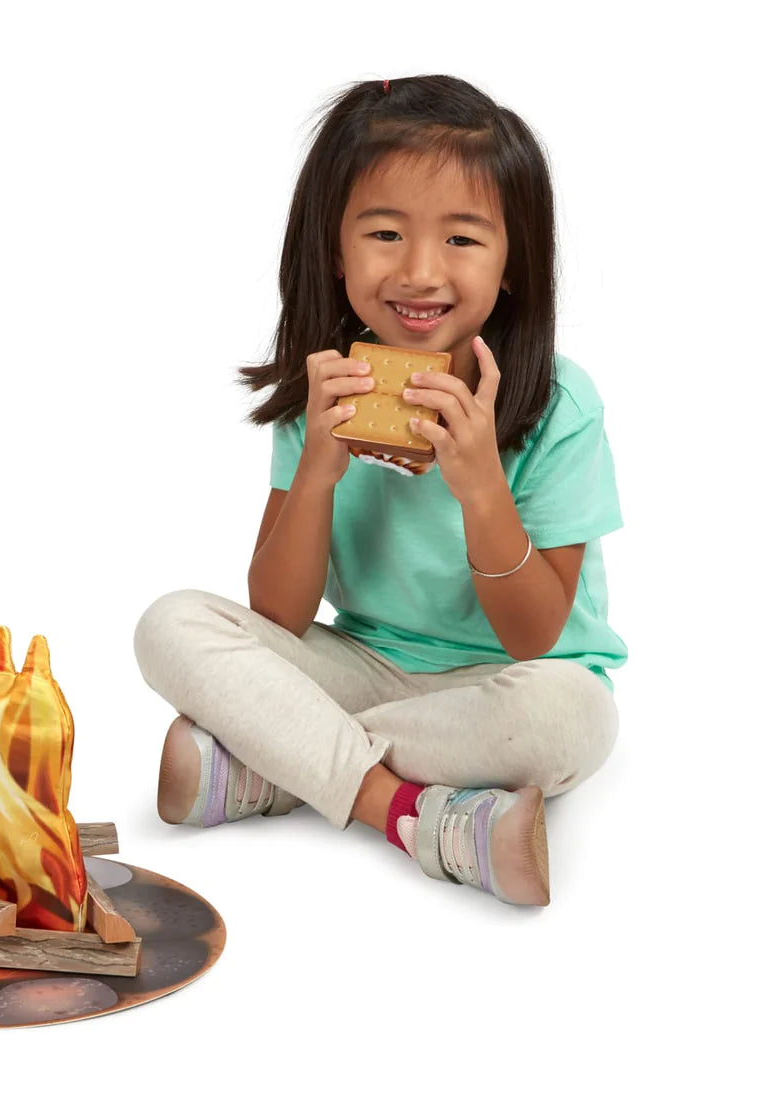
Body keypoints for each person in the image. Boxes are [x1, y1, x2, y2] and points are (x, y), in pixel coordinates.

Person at [132, 75, 627, 907]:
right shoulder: (326, 392)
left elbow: (539, 636)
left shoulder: (558, 404)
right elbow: (280, 615)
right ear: (334, 247)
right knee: (170, 623)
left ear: (513, 263)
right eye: (386, 232)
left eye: (463, 239)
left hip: (505, 683)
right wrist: (319, 470)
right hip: (361, 663)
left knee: (571, 721)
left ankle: (275, 765)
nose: (421, 271)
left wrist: (481, 492)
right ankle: (403, 809)